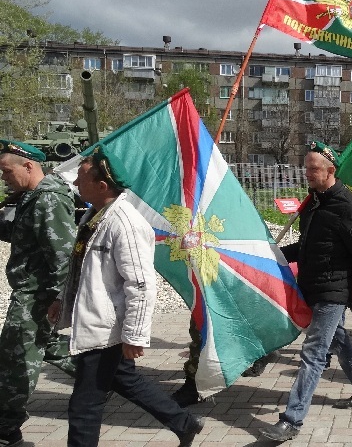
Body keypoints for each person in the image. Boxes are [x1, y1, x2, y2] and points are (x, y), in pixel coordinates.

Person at [47, 146, 204, 447]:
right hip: (98, 321)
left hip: (107, 328)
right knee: (124, 379)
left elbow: (141, 285)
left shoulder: (125, 224)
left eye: (81, 179)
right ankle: (184, 423)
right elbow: (79, 267)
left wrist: (134, 336)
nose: (76, 184)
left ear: (102, 186)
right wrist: (60, 299)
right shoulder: (94, 216)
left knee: (84, 406)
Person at [260, 141, 352, 443]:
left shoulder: (346, 206)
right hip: (311, 287)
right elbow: (305, 248)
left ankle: (292, 420)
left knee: (314, 353)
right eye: (306, 168)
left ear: (330, 170)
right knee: (338, 341)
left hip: (333, 292)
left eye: (313, 169)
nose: (308, 174)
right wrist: (271, 253)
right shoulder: (313, 203)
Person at [0, 140, 76, 447]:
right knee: (54, 348)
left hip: (37, 298)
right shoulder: (32, 197)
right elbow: (24, 235)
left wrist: (58, 301)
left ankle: (6, 429)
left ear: (28, 166)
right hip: (37, 295)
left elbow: (63, 256)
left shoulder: (48, 200)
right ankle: (105, 379)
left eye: (6, 172)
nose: (4, 178)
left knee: (15, 362)